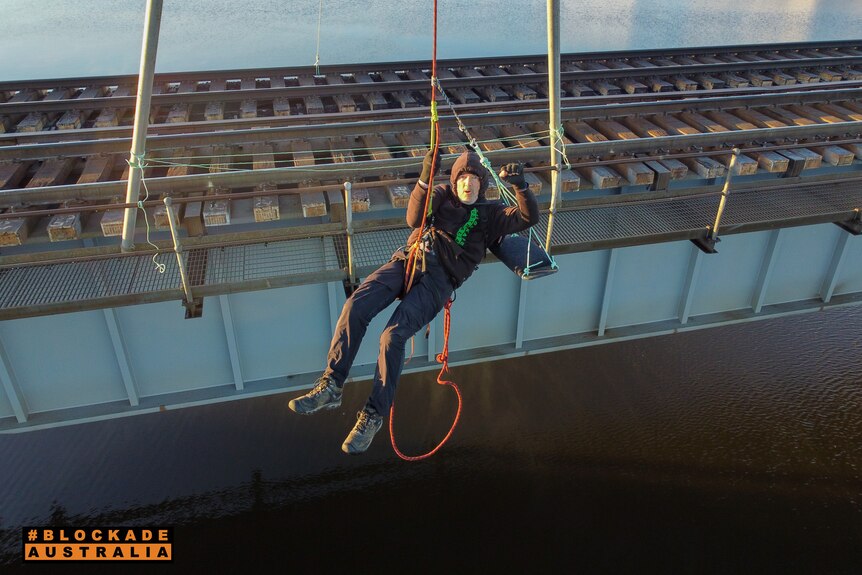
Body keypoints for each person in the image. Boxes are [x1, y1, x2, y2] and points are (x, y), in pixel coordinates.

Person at [288, 148, 540, 454]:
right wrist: (425, 177)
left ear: (481, 184)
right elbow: (413, 218)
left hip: (439, 282)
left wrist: (521, 187)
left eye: (474, 178)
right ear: (455, 180)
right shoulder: (442, 195)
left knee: (392, 338)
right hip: (410, 261)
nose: (468, 184)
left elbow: (527, 217)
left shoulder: (490, 214)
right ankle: (332, 384)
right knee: (356, 306)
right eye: (463, 177)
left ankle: (372, 415)